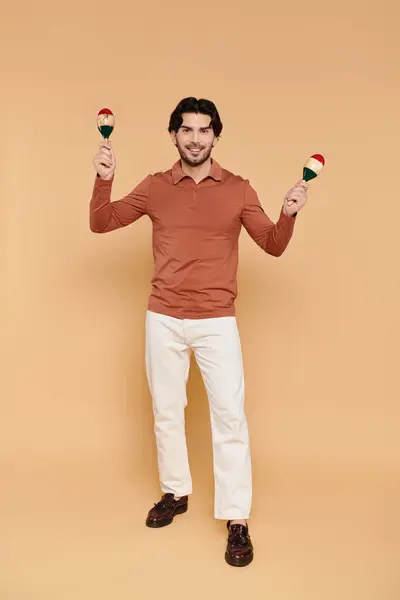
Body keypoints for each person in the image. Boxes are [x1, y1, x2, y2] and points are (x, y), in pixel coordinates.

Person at [89, 97, 308, 567]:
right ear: (174, 135)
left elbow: (271, 246)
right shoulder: (153, 186)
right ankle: (176, 492)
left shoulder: (239, 189)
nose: (195, 138)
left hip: (216, 320)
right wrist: (103, 178)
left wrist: (289, 213)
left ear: (215, 136)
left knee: (229, 417)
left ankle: (237, 520)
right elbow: (101, 222)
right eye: (186, 130)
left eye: (204, 130)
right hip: (163, 316)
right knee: (167, 411)